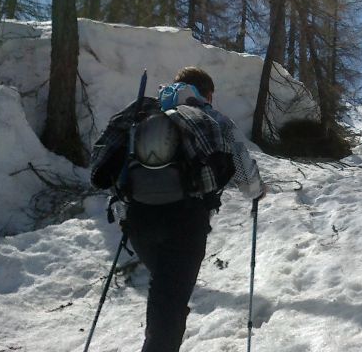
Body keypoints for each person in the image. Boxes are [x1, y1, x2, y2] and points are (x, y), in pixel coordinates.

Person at [90, 66, 265, 352]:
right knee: (168, 302)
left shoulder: (144, 112)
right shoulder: (212, 117)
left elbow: (109, 161)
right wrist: (259, 191)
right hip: (186, 222)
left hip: (138, 220)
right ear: (209, 93)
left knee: (166, 293)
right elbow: (245, 175)